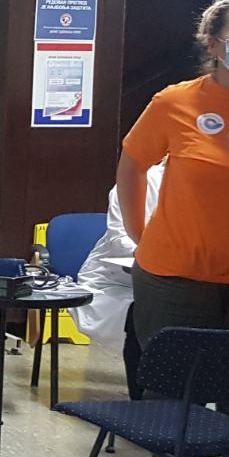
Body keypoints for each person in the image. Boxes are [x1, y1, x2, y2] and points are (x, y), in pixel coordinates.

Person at [117, 0, 229, 457]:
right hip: (174, 279)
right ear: (214, 44)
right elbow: (132, 166)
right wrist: (141, 235)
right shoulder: (176, 102)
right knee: (174, 394)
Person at [73, 163, 163, 399]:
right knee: (143, 319)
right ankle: (145, 406)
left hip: (187, 283)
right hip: (118, 282)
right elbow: (121, 239)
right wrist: (165, 251)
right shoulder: (141, 182)